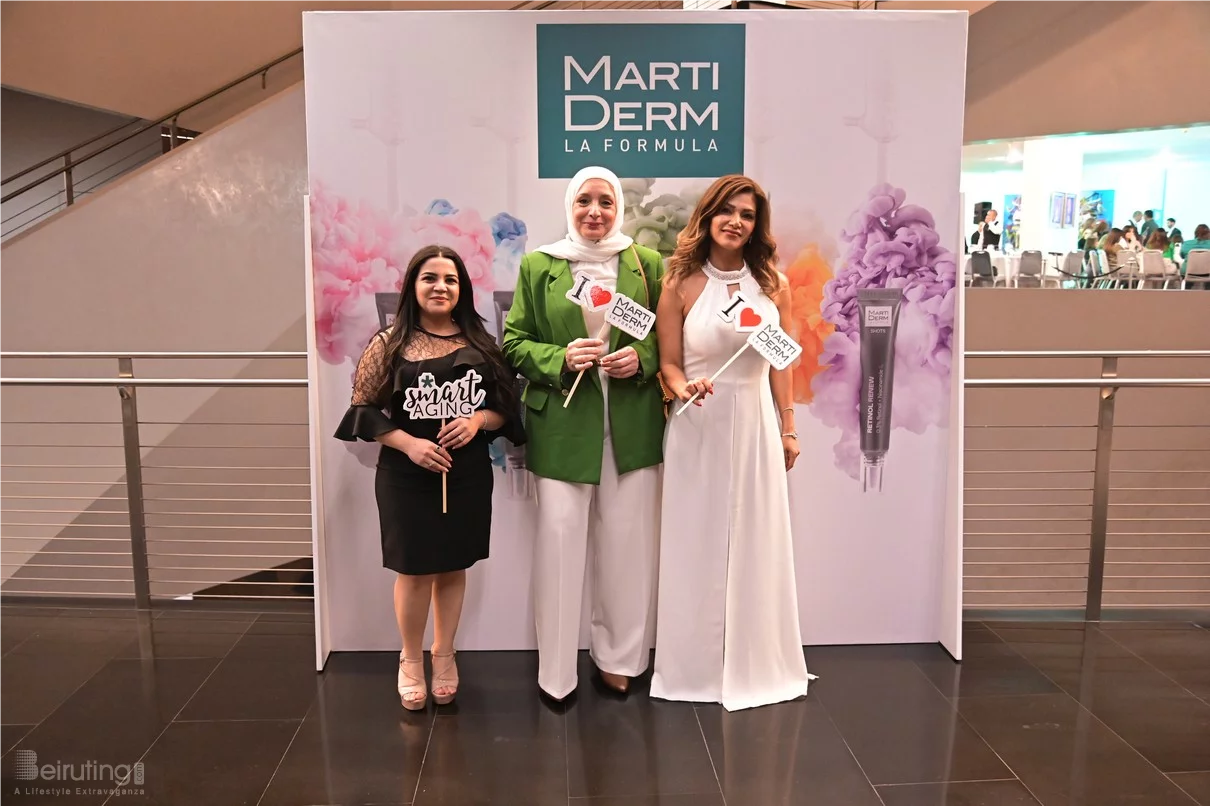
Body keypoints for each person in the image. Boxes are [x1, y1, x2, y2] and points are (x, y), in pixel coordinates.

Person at [335, 244, 524, 710]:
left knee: (454, 565)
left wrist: (478, 421)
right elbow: (362, 409)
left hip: (466, 474)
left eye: (450, 279)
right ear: (412, 286)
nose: (441, 287)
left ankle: (444, 654)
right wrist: (409, 444)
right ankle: (409, 658)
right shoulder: (388, 343)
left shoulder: (483, 344)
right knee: (415, 569)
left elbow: (505, 410)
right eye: (430, 278)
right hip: (405, 476)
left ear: (462, 289)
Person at [502, 166, 666, 701]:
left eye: (605, 201)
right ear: (571, 206)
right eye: (584, 201)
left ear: (618, 208)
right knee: (558, 548)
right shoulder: (540, 264)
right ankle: (555, 673)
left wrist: (640, 359)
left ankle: (619, 659)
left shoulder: (646, 264)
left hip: (631, 423)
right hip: (563, 425)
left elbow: (668, 337)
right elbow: (514, 342)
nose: (595, 211)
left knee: (627, 548)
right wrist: (560, 357)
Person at [651, 174, 811, 711]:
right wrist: (682, 389)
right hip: (697, 424)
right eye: (727, 210)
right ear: (708, 215)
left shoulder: (773, 284)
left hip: (756, 425)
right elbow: (669, 363)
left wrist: (788, 426)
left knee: (756, 541)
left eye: (747, 214)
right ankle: (693, 670)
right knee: (694, 543)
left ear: (756, 225)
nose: (735, 221)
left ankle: (758, 663)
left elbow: (780, 362)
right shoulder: (679, 282)